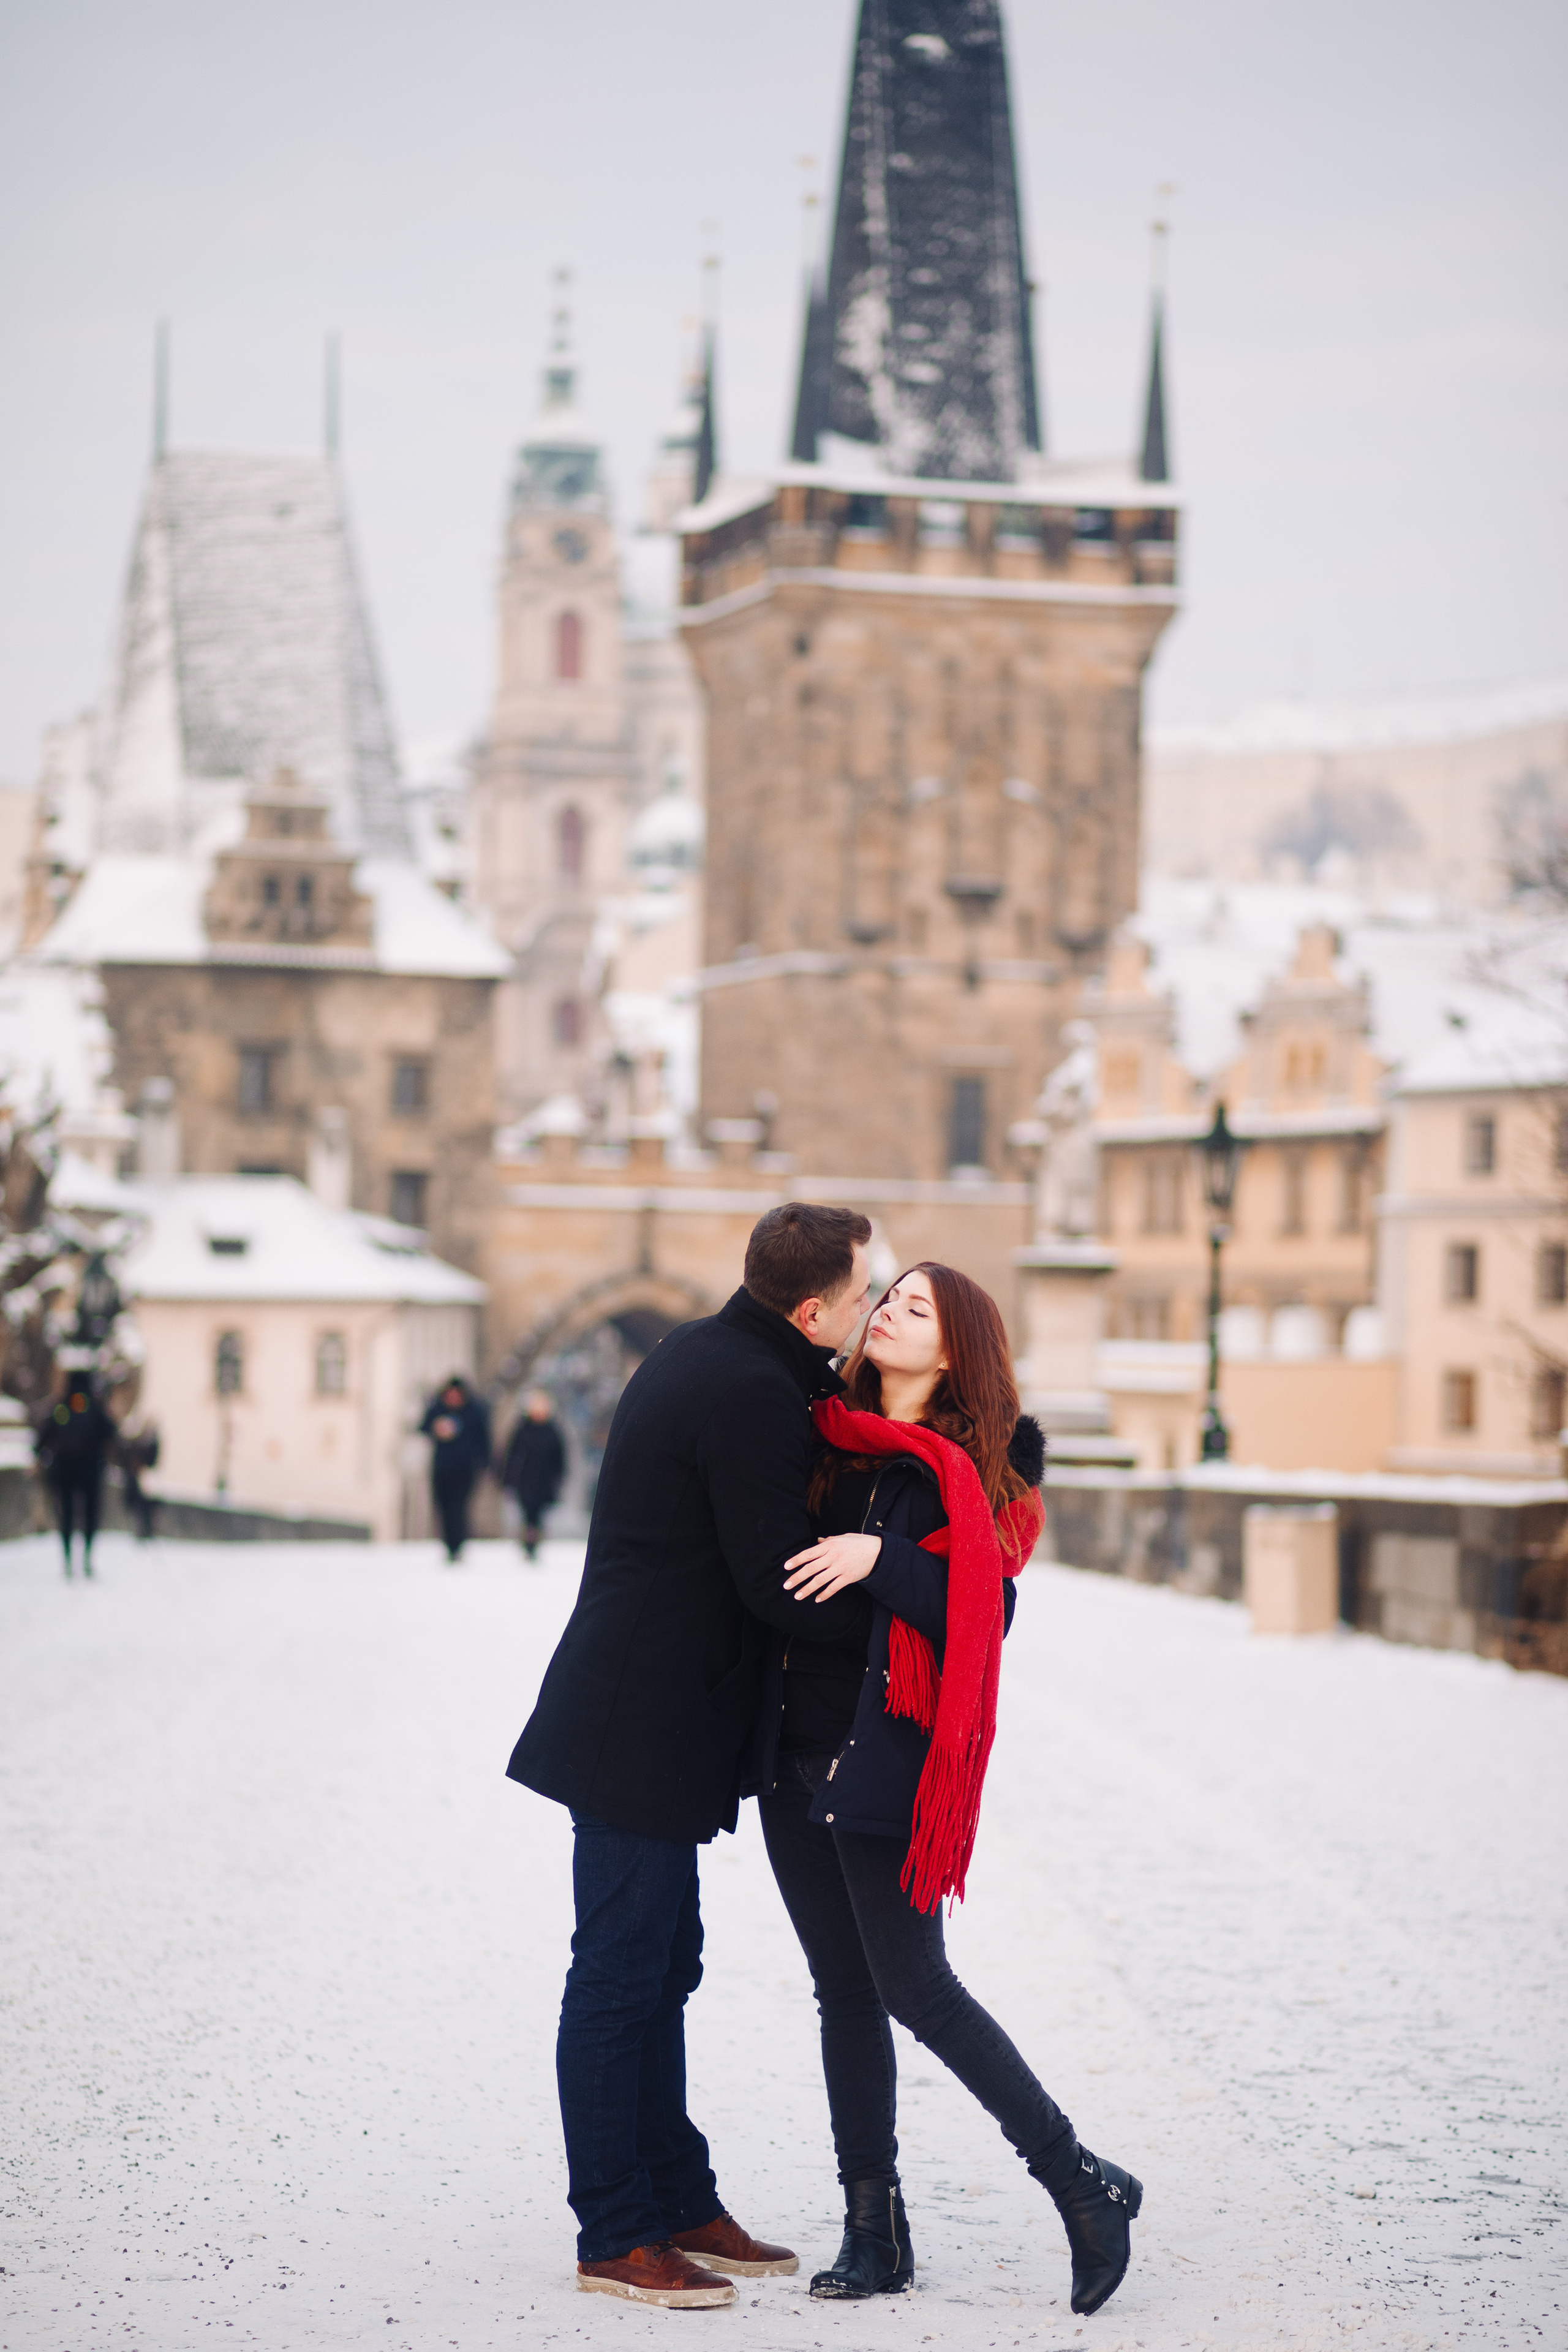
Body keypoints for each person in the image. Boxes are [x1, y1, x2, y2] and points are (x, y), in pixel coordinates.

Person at [749, 1262, 1142, 2318]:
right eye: (887, 1300)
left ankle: (1080, 2183)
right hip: (792, 1750)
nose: (888, 1314)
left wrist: (879, 1554)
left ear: (958, 1346)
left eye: (915, 1309)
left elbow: (985, 1609)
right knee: (845, 1993)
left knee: (917, 1987)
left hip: (889, 1759)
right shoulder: (823, 1433)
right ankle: (872, 2230)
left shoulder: (986, 1472)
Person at [507, 1203, 876, 2310]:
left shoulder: (725, 1356)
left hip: (662, 1713)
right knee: (621, 1977)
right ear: (813, 1308)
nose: (869, 1311)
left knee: (664, 1965)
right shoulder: (748, 1387)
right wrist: (915, 1610)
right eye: (863, 1294)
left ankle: (675, 2196)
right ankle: (614, 2230)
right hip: (640, 1721)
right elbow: (779, 1581)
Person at [36, 1370, 116, 1578]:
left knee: (67, 1515)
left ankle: (69, 1559)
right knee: (90, 1515)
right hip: (91, 1470)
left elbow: (43, 1438)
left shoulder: (62, 1407)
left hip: (65, 1469)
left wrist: (44, 1456)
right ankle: (87, 1558)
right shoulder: (94, 1407)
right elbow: (111, 1433)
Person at [419, 1374, 491, 1563]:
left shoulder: (474, 1412)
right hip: (442, 1469)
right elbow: (423, 1426)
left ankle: (457, 1545)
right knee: (443, 1508)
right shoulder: (438, 1409)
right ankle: (448, 1543)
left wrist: (485, 1464)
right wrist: (437, 1428)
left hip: (465, 1470)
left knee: (459, 1508)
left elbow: (483, 1440)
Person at [500, 1390, 567, 1559]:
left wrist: (558, 1478)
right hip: (525, 1481)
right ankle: (528, 1542)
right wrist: (508, 1477)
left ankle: (534, 1542)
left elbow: (560, 1458)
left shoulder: (553, 1431)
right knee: (527, 1513)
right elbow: (512, 1454)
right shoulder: (522, 1429)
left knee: (538, 1515)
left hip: (544, 1482)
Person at [116, 1415, 161, 1543]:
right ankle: (142, 1531)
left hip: (145, 1481)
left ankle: (147, 1531)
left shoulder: (150, 1443)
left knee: (146, 1508)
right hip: (136, 1481)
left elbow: (152, 1460)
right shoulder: (135, 1442)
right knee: (138, 1506)